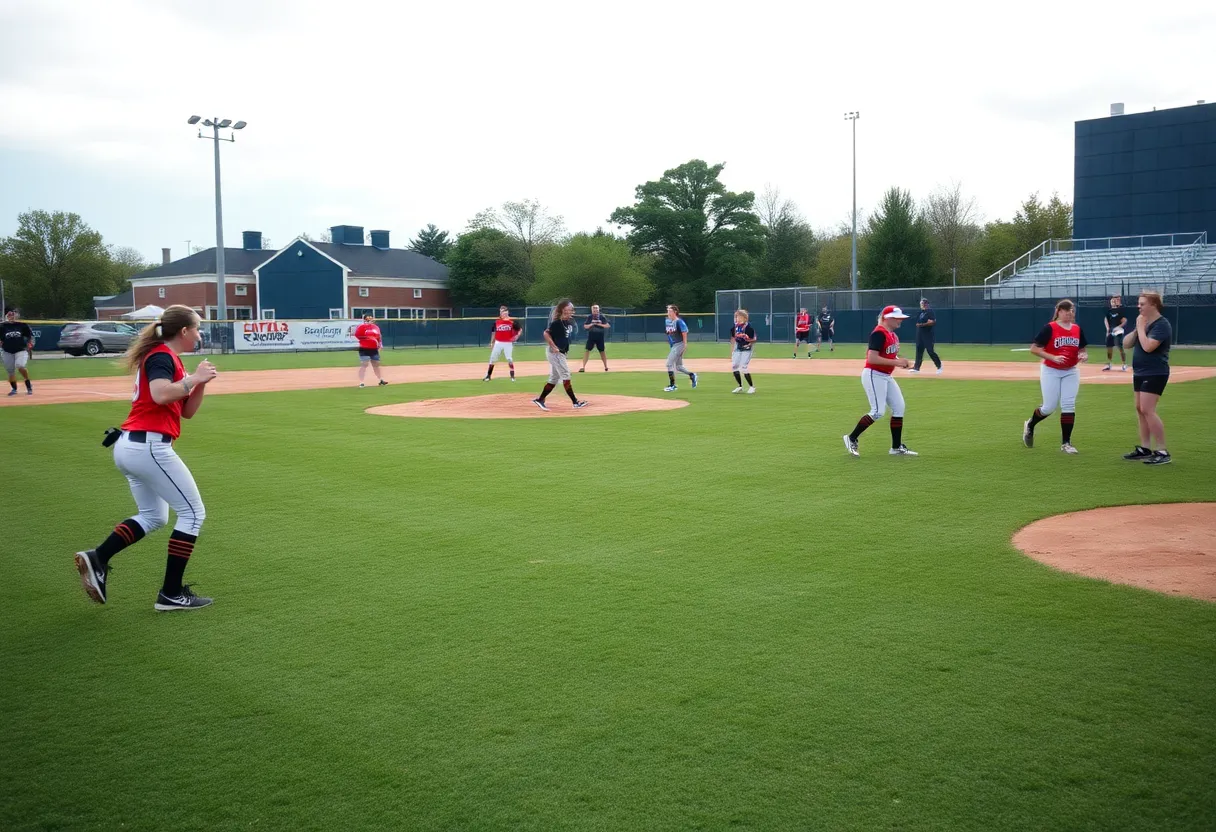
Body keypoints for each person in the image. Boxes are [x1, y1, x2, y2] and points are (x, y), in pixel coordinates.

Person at [73, 305, 218, 611]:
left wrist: (199, 382)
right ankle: (171, 593)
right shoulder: (162, 356)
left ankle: (98, 557)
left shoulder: (167, 358)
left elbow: (186, 412)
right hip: (149, 446)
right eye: (196, 328)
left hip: (134, 446)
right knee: (193, 514)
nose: (199, 333)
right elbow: (161, 394)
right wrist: (193, 378)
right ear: (184, 331)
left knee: (154, 516)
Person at [843, 306, 916, 457]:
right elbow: (872, 358)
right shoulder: (878, 334)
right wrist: (897, 363)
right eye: (897, 317)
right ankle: (851, 438)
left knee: (899, 407)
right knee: (877, 411)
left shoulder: (892, 336)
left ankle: (896, 447)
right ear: (886, 318)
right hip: (873, 374)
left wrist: (900, 362)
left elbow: (889, 357)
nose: (900, 320)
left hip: (885, 376)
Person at [1022, 299, 1088, 454]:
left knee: (1068, 405)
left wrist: (1083, 355)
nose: (1069, 313)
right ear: (1058, 312)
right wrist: (1052, 357)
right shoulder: (1050, 328)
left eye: (1071, 310)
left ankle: (1066, 443)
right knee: (1049, 407)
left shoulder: (1077, 329)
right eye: (1066, 310)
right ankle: (1030, 424)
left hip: (1071, 370)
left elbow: (1082, 349)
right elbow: (1034, 349)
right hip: (1050, 370)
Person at [1122, 291, 1172, 465]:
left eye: (1142, 304)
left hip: (1155, 372)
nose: (1139, 306)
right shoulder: (1143, 323)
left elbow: (1148, 346)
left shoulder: (1161, 325)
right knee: (1140, 408)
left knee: (1147, 409)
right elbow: (1126, 344)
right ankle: (1145, 448)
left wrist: (1141, 329)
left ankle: (1162, 450)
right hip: (1140, 372)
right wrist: (1137, 328)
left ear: (1154, 305)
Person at [532, 299, 587, 411]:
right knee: (566, 375)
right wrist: (553, 346)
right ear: (563, 309)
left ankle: (540, 399)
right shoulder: (557, 323)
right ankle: (575, 402)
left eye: (572, 309)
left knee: (554, 378)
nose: (571, 310)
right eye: (569, 308)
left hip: (561, 353)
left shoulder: (567, 322)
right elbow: (546, 334)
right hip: (556, 353)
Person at [662, 305, 697, 391]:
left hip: (680, 344)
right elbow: (669, 333)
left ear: (675, 312)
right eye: (668, 311)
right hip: (674, 345)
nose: (668, 313)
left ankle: (672, 385)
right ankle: (692, 375)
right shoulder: (669, 322)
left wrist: (685, 344)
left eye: (670, 311)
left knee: (669, 364)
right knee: (678, 367)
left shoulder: (679, 321)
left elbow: (684, 332)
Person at [484, 306, 522, 381]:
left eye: (503, 311)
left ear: (507, 312)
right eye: (501, 312)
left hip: (508, 343)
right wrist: (492, 342)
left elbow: (520, 329)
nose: (502, 313)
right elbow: (494, 333)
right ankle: (488, 376)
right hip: (498, 342)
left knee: (509, 358)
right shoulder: (497, 322)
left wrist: (517, 336)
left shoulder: (512, 322)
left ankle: (512, 376)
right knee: (492, 358)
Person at [2, 308, 34, 396]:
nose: (11, 317)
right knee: (10, 371)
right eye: (9, 315)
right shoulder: (3, 326)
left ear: (16, 316)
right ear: (6, 317)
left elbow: (30, 335)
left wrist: (30, 343)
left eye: (12, 315)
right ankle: (14, 389)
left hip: (21, 349)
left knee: (20, 365)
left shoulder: (22, 325)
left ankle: (28, 384)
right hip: (7, 351)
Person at [908, 298, 942, 374]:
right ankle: (916, 368)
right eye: (921, 304)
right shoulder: (921, 312)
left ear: (926, 304)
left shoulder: (930, 312)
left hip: (928, 335)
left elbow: (933, 322)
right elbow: (916, 320)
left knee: (930, 351)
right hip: (920, 334)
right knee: (919, 350)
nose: (921, 305)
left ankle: (939, 366)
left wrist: (922, 324)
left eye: (922, 304)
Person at [354, 314, 388, 387]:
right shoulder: (361, 327)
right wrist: (367, 337)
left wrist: (380, 345)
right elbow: (357, 335)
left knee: (376, 365)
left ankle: (381, 380)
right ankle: (361, 382)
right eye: (368, 319)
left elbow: (379, 336)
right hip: (364, 348)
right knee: (364, 364)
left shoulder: (376, 327)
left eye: (371, 318)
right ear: (365, 320)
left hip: (374, 348)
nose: (370, 320)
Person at [730, 309, 757, 393]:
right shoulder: (735, 327)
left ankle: (752, 387)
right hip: (737, 348)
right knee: (734, 366)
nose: (737, 318)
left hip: (746, 349)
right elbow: (733, 339)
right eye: (736, 316)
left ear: (744, 318)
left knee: (743, 367)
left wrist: (748, 342)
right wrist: (732, 350)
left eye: (738, 316)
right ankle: (740, 386)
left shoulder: (748, 328)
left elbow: (754, 339)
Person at [578, 304, 610, 372]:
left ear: (599, 309)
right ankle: (583, 367)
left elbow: (607, 325)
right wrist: (592, 324)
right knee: (587, 350)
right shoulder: (590, 317)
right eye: (594, 308)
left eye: (596, 308)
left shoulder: (602, 317)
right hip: (591, 336)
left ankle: (606, 366)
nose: (595, 310)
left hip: (600, 336)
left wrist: (599, 324)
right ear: (592, 310)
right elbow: (585, 326)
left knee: (602, 351)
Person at [1102, 294, 1128, 372]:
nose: (1112, 302)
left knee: (1119, 347)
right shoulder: (1109, 311)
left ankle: (1124, 364)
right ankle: (1109, 364)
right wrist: (1107, 329)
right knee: (1109, 348)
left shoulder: (1120, 310)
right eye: (1111, 301)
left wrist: (1118, 327)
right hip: (1111, 330)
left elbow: (1125, 321)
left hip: (1118, 331)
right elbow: (1106, 320)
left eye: (1114, 301)